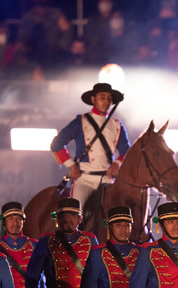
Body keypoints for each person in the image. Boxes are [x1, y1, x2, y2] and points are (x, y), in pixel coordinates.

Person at [50, 82, 131, 210]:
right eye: (102, 97)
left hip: (108, 180)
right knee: (75, 212)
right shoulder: (80, 121)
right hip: (84, 180)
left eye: (109, 99)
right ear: (93, 99)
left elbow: (126, 150)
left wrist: (117, 163)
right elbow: (57, 144)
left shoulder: (117, 124)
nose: (106, 102)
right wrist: (71, 165)